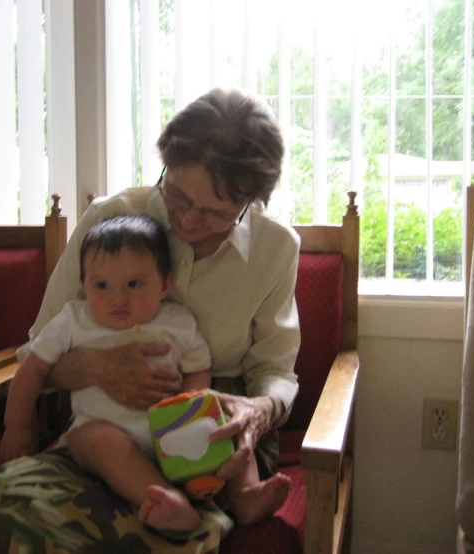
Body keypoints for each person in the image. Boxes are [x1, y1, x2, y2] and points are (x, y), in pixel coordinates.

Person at [18, 87, 300, 526]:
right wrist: (97, 368)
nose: (187, 221)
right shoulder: (109, 222)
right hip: (106, 425)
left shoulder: (276, 249)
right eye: (178, 196)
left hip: (216, 429)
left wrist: (259, 412)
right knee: (20, 510)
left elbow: (276, 370)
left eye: (216, 212)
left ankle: (220, 504)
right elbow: (35, 353)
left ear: (250, 203)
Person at [1, 213, 290, 531]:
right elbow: (32, 369)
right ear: (83, 283)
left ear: (165, 284)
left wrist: (192, 403)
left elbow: (199, 367)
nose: (118, 298)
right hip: (104, 433)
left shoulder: (177, 321)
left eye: (134, 284)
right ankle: (168, 501)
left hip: (172, 430)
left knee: (227, 418)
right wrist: (17, 426)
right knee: (93, 439)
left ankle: (246, 495)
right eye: (102, 285)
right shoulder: (73, 321)